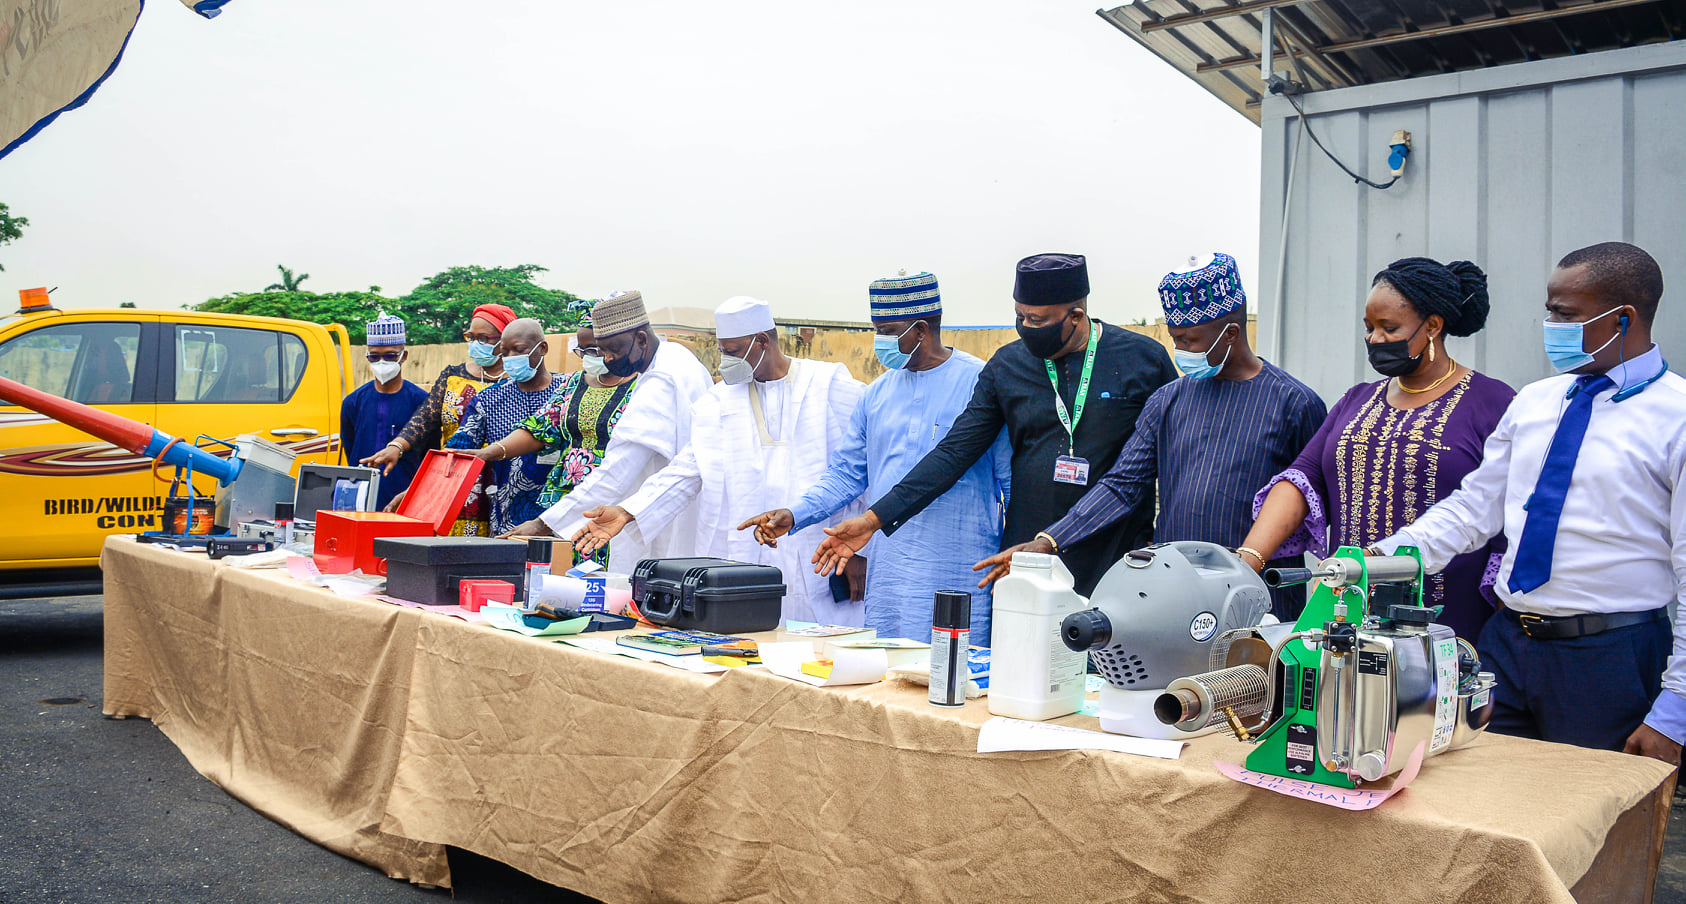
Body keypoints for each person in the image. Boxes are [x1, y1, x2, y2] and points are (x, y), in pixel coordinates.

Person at [1371, 242, 1683, 766]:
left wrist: (1674, 709)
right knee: (1476, 796)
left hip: (1609, 657)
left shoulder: (1674, 417)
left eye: (1565, 313)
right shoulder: (1536, 402)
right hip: (1507, 643)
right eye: (1549, 308)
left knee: (1586, 820)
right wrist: (1384, 560)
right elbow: (1475, 508)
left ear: (1623, 319)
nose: (1549, 323)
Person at [974, 254, 1326, 619]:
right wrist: (1050, 541)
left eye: (1189, 341)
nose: (1181, 352)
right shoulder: (1168, 400)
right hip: (1178, 593)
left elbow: (1313, 502)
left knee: (1254, 677)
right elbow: (1122, 485)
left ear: (1231, 334)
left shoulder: (1294, 404)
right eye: (1176, 340)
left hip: (1262, 595)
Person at [811, 253, 1177, 597]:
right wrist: (874, 519)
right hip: (1026, 554)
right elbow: (955, 452)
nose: (1025, 329)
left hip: (1116, 547)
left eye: (1037, 321)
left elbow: (1171, 459)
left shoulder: (1142, 360)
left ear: (1076, 316)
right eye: (1020, 316)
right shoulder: (1007, 367)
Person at [1240, 257, 1514, 640]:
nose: (1374, 340)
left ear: (1433, 326)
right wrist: (1249, 559)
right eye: (1369, 328)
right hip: (1340, 617)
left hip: (1448, 628)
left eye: (1389, 328)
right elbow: (1304, 479)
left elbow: (1511, 521)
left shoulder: (1492, 402)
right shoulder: (1357, 400)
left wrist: (1502, 651)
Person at [738, 271, 1011, 644]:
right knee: (889, 680)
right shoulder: (877, 394)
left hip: (959, 567)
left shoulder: (981, 385)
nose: (878, 341)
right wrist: (795, 513)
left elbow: (1010, 483)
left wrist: (1023, 560)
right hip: (891, 572)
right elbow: (848, 474)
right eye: (875, 330)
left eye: (887, 331)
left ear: (919, 330)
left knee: (956, 678)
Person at [570, 296, 868, 624]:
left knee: (819, 645)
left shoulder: (829, 386)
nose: (725, 361)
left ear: (763, 342)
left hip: (819, 549)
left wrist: (859, 550)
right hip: (744, 552)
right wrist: (627, 511)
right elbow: (685, 471)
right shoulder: (719, 401)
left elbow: (862, 471)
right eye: (722, 350)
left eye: (734, 351)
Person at [500, 290, 714, 575]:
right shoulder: (676, 359)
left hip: (662, 513)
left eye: (614, 349)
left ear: (641, 339)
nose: (608, 359)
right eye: (601, 351)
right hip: (659, 505)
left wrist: (545, 524)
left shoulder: (661, 380)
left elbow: (617, 469)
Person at [469, 313, 639, 566]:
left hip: (613, 497)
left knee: (604, 576)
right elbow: (541, 427)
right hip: (563, 499)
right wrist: (492, 452)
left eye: (596, 349)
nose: (591, 357)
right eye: (584, 351)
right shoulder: (574, 383)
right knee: (558, 576)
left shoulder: (643, 388)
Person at [364, 303, 512, 534]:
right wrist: (397, 446)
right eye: (470, 337)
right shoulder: (453, 375)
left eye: (484, 338)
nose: (475, 344)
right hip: (455, 477)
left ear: (505, 340)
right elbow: (425, 418)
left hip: (504, 479)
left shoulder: (521, 380)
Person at [441, 318, 560, 535]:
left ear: (542, 348)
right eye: (505, 352)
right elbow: (456, 454)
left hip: (560, 523)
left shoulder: (568, 392)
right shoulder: (488, 401)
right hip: (507, 525)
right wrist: (418, 490)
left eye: (519, 350)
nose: (511, 358)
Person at [338, 313, 427, 510]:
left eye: (390, 356)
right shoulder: (353, 402)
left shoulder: (422, 402)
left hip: (405, 502)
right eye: (374, 356)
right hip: (359, 501)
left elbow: (428, 456)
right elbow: (351, 451)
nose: (381, 363)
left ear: (404, 356)